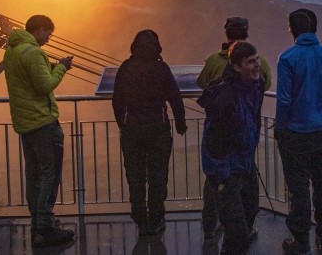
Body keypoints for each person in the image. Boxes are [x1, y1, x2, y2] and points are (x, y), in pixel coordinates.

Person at [196, 17, 272, 245]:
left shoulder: (214, 63)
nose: (256, 65)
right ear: (236, 66)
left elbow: (201, 82)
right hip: (229, 168)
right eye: (251, 62)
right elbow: (215, 139)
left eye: (256, 60)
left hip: (242, 163)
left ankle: (210, 228)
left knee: (242, 219)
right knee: (238, 231)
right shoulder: (228, 97)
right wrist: (221, 177)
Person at [3, 15, 75, 248]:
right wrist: (62, 68)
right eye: (49, 34)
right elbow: (45, 85)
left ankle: (38, 223)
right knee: (49, 174)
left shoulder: (13, 51)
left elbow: (28, 77)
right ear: (40, 30)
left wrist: (50, 67)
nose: (48, 39)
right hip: (43, 122)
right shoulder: (34, 53)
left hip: (26, 123)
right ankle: (45, 227)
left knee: (34, 175)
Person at [276, 8, 322, 255]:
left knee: (299, 187)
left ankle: (300, 242)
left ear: (292, 29)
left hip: (295, 133)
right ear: (315, 28)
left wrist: (280, 128)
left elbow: (284, 100)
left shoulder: (288, 58)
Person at [112, 30, 187, 236]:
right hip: (158, 128)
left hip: (132, 129)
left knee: (135, 177)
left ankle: (139, 217)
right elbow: (175, 96)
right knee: (157, 176)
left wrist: (123, 124)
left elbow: (117, 100)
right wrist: (180, 123)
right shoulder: (161, 68)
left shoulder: (126, 68)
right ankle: (156, 218)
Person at [197, 16, 272, 91]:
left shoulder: (213, 60)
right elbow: (266, 85)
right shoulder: (260, 61)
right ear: (246, 33)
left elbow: (201, 83)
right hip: (250, 102)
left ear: (227, 33)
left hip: (220, 102)